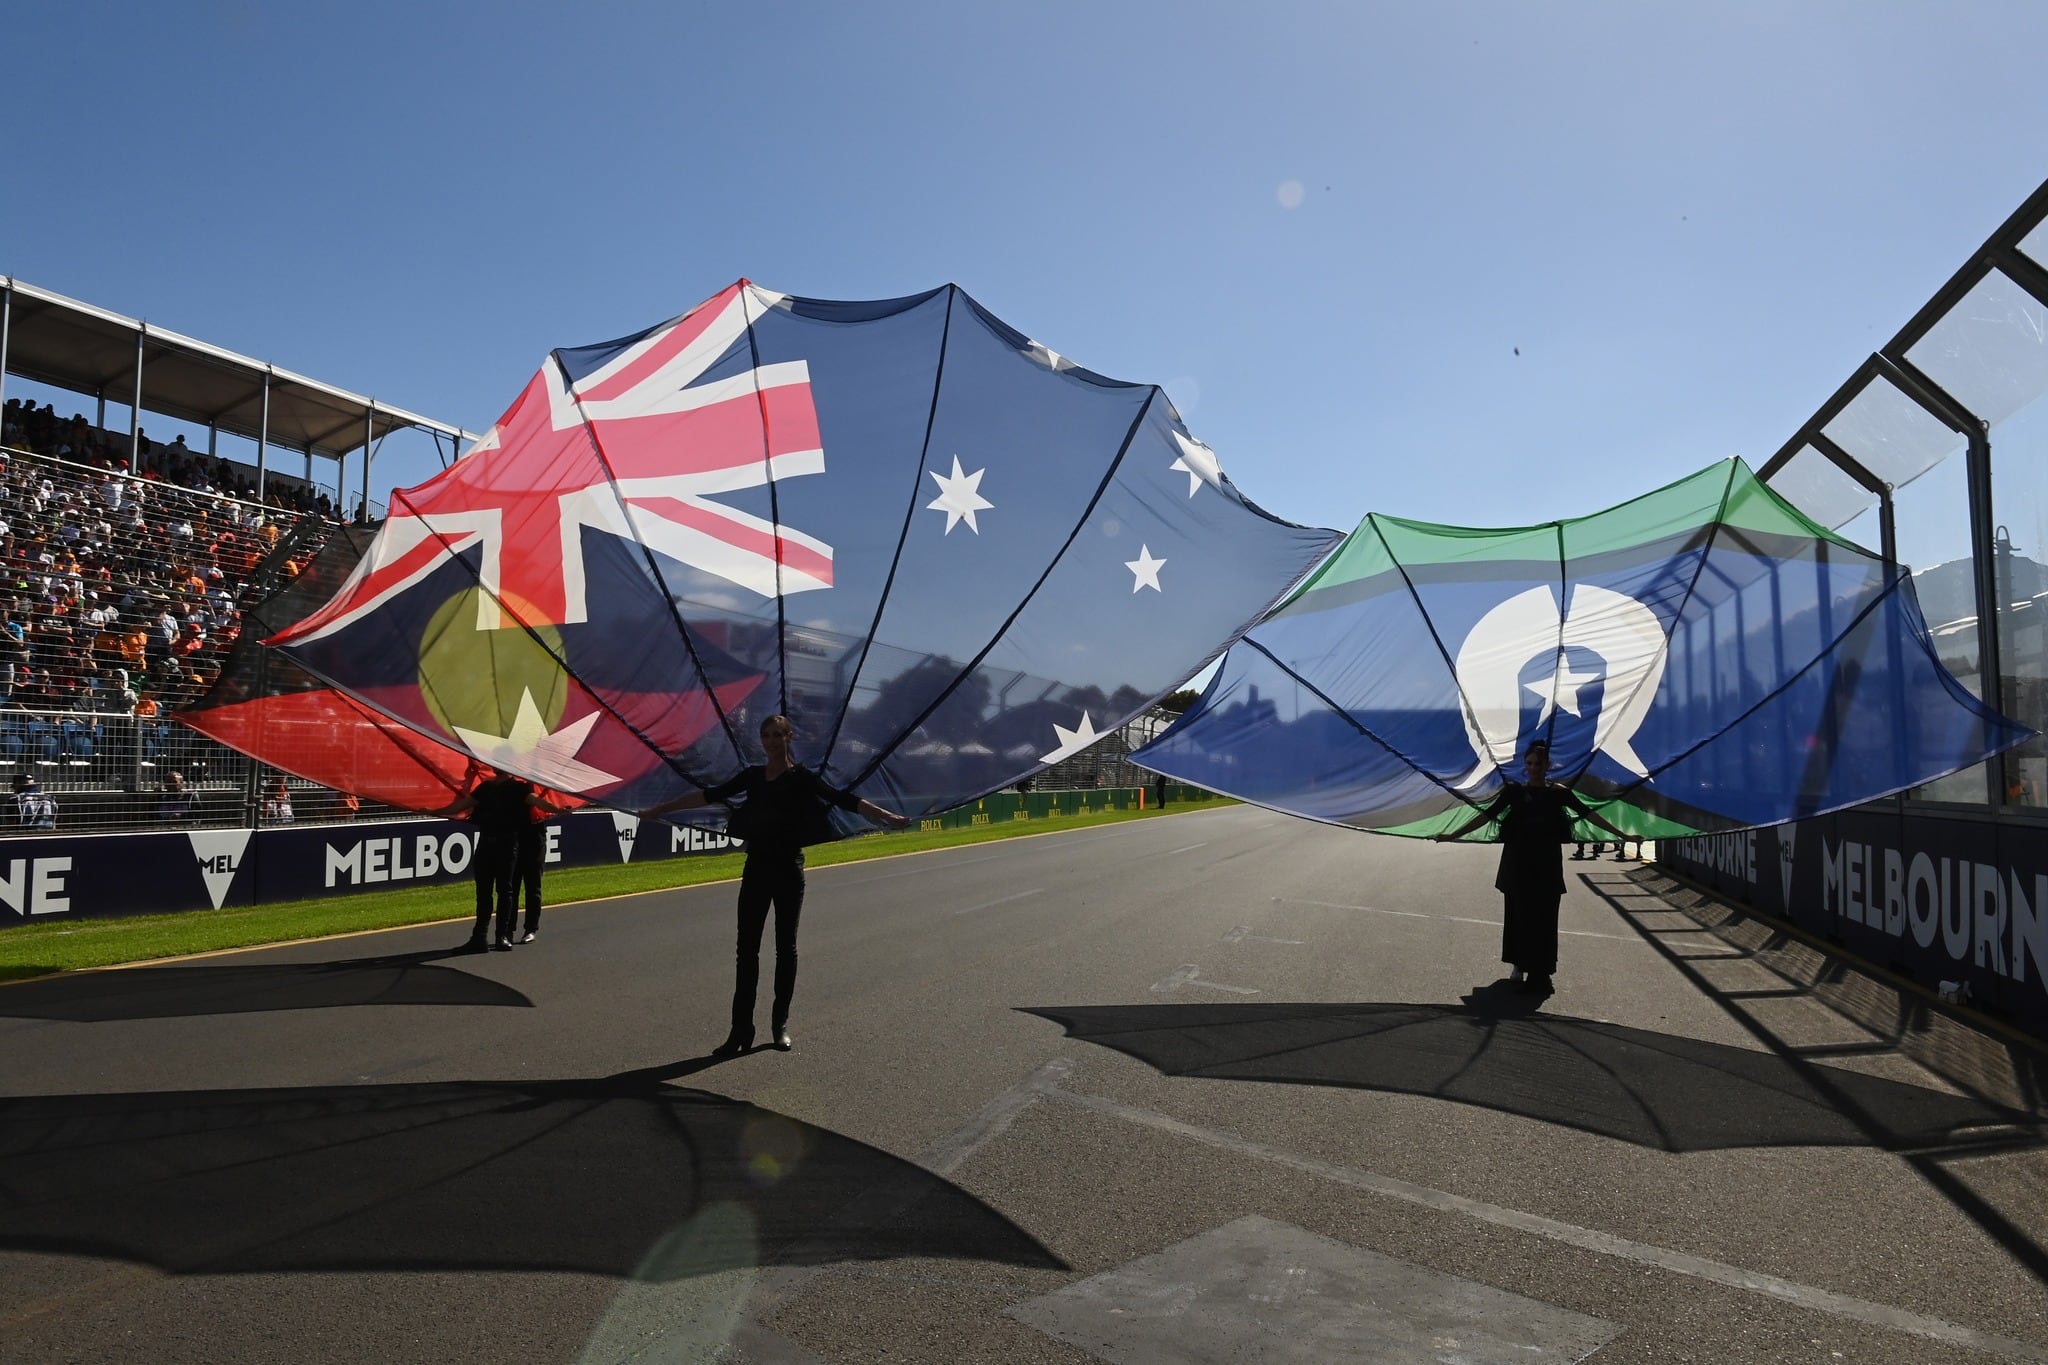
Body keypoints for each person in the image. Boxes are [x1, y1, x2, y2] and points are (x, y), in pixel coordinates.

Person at [645, 714, 908, 1055]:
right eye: (765, 735)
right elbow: (709, 795)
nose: (770, 741)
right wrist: (661, 809)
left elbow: (843, 799)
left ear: (789, 737)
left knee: (786, 949)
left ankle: (779, 1024)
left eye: (777, 735)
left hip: (788, 869)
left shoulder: (801, 778)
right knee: (746, 952)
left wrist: (886, 816)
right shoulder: (753, 776)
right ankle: (740, 1030)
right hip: (756, 868)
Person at [1437, 740, 1627, 994]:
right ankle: (1518, 963)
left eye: (1539, 763)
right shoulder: (1513, 792)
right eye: (1529, 763)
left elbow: (1588, 813)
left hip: (1547, 864)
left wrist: (1621, 834)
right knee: (1518, 915)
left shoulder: (1558, 793)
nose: (1534, 768)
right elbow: (1487, 815)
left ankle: (1543, 970)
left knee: (1545, 918)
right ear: (1524, 765)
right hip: (1518, 863)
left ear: (1548, 765)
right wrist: (1453, 835)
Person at [436, 772, 560, 953]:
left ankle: (503, 935)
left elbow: (535, 801)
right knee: (484, 891)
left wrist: (557, 809)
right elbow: (463, 804)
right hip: (486, 842)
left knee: (506, 890)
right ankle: (480, 937)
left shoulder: (519, 788)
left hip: (507, 843)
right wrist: (434, 811)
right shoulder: (486, 787)